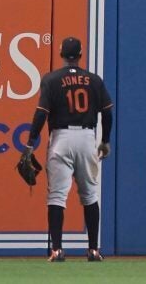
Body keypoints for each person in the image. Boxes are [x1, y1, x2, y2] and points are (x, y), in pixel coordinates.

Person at [24, 36, 113, 263]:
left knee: (57, 196)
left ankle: (57, 250)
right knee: (90, 195)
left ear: (62, 54)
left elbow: (41, 113)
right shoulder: (94, 80)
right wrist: (105, 141)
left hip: (61, 138)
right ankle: (93, 249)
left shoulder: (52, 79)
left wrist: (30, 142)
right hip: (86, 137)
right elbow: (108, 112)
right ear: (81, 54)